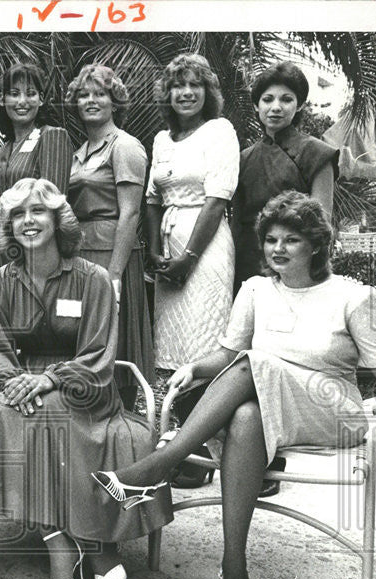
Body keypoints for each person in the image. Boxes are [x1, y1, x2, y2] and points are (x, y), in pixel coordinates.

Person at [94, 191, 376, 579]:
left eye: (292, 240)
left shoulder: (354, 297)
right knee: (243, 415)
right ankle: (234, 572)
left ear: (317, 245)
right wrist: (194, 368)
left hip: (332, 412)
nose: (278, 249)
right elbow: (225, 353)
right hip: (265, 407)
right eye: (271, 240)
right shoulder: (256, 290)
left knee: (254, 363)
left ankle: (156, 467)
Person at [0, 178, 172, 579]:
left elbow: (99, 351)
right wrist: (11, 382)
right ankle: (64, 545)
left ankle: (89, 544)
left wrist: (51, 379)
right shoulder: (0, 281)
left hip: (84, 383)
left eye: (37, 211)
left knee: (51, 407)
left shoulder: (92, 279)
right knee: (4, 411)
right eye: (17, 214)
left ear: (57, 219)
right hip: (19, 381)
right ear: (8, 227)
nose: (28, 221)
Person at [66, 64, 153, 409]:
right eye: (84, 94)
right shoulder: (78, 152)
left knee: (116, 342)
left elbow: (131, 212)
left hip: (111, 254)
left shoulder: (125, 146)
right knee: (84, 338)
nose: (91, 100)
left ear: (114, 101)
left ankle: (123, 425)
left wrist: (114, 275)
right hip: (81, 253)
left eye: (100, 93)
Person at [145, 53, 240, 370]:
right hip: (169, 253)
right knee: (173, 343)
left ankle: (206, 416)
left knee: (204, 338)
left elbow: (216, 201)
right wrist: (156, 254)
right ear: (167, 95)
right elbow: (152, 200)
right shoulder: (161, 140)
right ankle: (177, 417)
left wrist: (189, 257)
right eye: (178, 86)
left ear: (207, 92)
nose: (186, 92)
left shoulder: (219, 131)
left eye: (195, 85)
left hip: (204, 249)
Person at [233, 61, 340, 292]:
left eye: (286, 99)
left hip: (298, 269)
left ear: (300, 105)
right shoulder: (242, 159)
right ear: (256, 105)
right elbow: (236, 223)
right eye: (268, 99)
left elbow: (322, 223)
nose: (276, 107)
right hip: (247, 265)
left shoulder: (318, 153)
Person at [0, 62, 71, 201]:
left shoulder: (52, 136)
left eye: (30, 93)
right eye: (14, 94)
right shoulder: (2, 150)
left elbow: (54, 203)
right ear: (2, 100)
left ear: (41, 99)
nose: (22, 101)